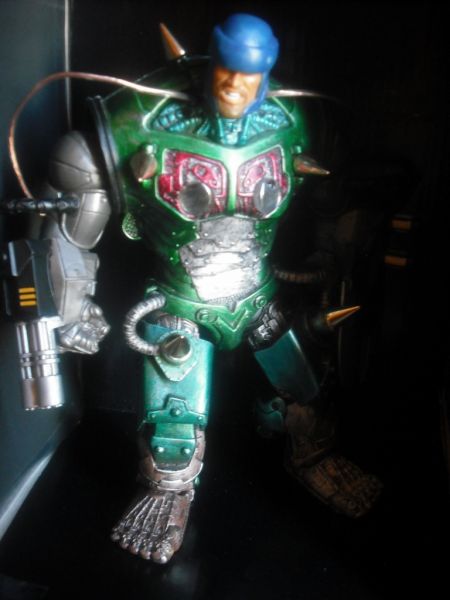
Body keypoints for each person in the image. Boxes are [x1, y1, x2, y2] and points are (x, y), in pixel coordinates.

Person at [6, 13, 382, 564]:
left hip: (257, 293)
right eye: (226, 70)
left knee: (303, 388)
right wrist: (69, 304)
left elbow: (332, 197)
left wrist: (333, 250)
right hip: (180, 298)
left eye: (248, 76)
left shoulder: (290, 119)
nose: (233, 87)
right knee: (173, 417)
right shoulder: (145, 116)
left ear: (266, 73)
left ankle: (312, 453)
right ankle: (167, 490)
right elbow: (72, 203)